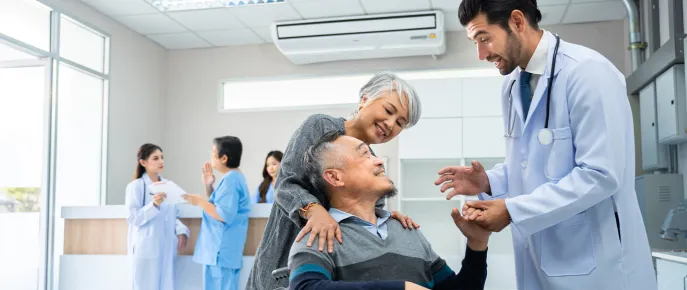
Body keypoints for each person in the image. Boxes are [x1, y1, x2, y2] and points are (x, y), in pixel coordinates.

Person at [434, 1, 656, 290]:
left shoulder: (587, 72)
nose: (481, 54)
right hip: (541, 263)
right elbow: (530, 163)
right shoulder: (513, 84)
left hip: (600, 270)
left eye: (484, 39)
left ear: (516, 21)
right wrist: (489, 180)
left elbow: (601, 174)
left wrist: (513, 211)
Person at [246, 71, 424, 290]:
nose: (390, 123)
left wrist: (387, 220)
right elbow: (286, 184)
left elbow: (366, 216)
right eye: (388, 111)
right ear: (365, 99)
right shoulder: (320, 128)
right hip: (284, 258)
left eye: (400, 123)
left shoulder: (373, 164)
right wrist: (314, 210)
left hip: (331, 270)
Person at [288, 131, 490, 290]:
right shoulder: (320, 235)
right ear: (335, 178)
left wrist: (477, 245)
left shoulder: (407, 230)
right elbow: (305, 287)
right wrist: (401, 288)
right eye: (364, 154)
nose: (379, 160)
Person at [182, 136, 251, 290]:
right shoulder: (232, 179)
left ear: (224, 158)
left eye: (213, 153)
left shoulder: (231, 181)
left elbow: (224, 215)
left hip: (220, 253)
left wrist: (200, 201)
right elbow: (219, 207)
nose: (211, 157)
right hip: (221, 253)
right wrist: (209, 186)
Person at [125, 143, 190, 290]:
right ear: (143, 162)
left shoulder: (168, 185)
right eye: (155, 158)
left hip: (166, 247)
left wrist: (181, 230)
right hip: (146, 248)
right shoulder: (137, 186)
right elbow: (132, 218)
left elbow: (172, 214)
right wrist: (153, 205)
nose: (161, 161)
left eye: (162, 157)